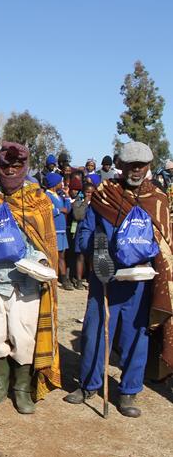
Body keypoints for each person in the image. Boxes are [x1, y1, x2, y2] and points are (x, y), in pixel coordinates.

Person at [65, 142, 173, 417]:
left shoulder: (158, 199)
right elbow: (85, 232)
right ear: (120, 166)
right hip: (106, 279)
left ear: (149, 167)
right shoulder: (104, 195)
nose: (136, 170)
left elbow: (164, 244)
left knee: (136, 336)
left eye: (141, 165)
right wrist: (98, 247)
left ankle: (128, 392)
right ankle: (89, 385)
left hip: (140, 282)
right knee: (95, 332)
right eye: (130, 165)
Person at [0, 141, 61, 414]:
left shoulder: (37, 200)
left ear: (25, 167)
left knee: (23, 338)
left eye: (17, 166)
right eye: (6, 166)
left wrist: (40, 263)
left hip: (26, 284)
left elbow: (46, 244)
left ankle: (21, 389)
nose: (11, 171)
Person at [44, 172, 74, 290]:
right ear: (54, 184)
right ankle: (52, 279)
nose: (62, 184)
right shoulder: (47, 196)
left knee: (62, 255)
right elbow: (46, 212)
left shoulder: (59, 195)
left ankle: (64, 279)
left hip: (61, 231)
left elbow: (68, 209)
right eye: (60, 182)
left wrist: (66, 196)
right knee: (53, 256)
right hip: (53, 230)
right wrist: (58, 210)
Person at [71, 182, 95, 290]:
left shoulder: (96, 203)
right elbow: (78, 215)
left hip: (93, 232)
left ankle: (91, 281)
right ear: (83, 192)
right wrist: (85, 203)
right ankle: (79, 280)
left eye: (91, 192)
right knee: (80, 256)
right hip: (81, 231)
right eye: (87, 192)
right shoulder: (78, 202)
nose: (89, 194)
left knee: (92, 258)